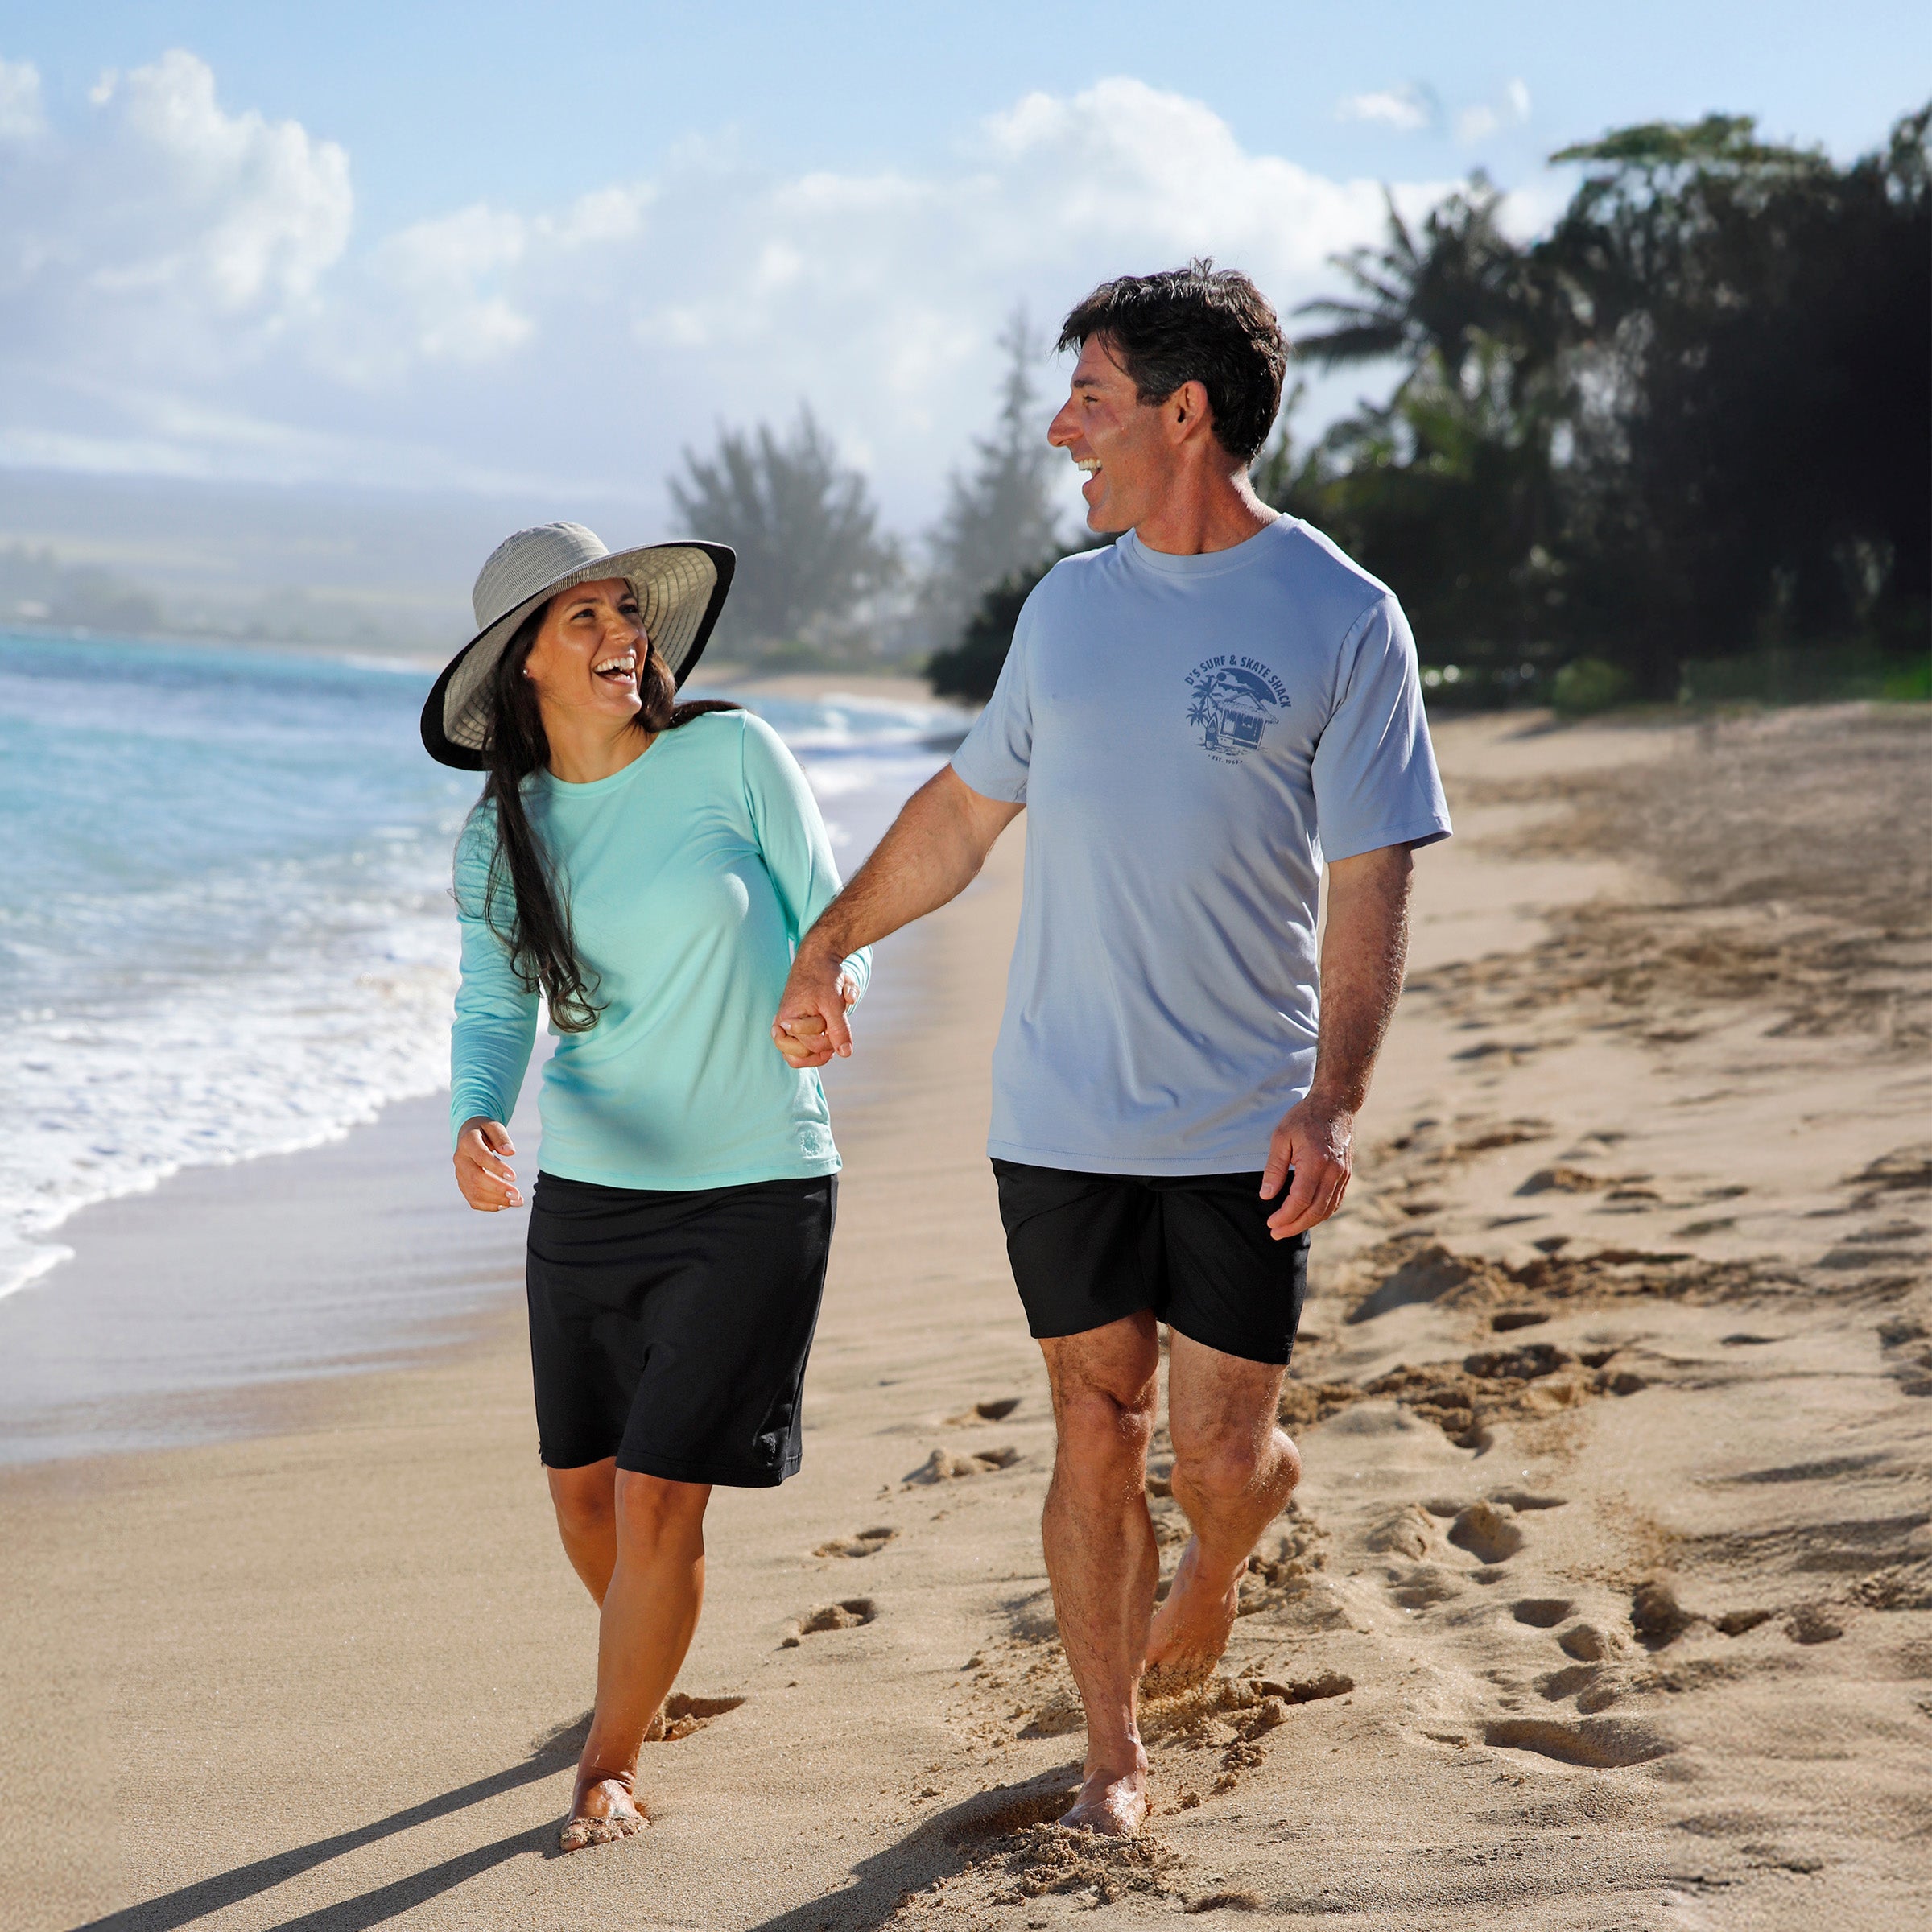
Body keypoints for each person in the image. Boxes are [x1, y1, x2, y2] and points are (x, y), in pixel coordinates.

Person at [773, 264, 1450, 1835]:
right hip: (1062, 1112)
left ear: (1184, 413)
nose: (1061, 427)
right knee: (1097, 1417)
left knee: (1218, 1456)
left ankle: (1224, 1550)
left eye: (1090, 396)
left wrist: (1335, 1103)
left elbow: (1372, 886)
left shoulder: (1343, 619)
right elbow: (960, 815)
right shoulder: (1066, 611)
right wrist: (830, 938)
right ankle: (1113, 1754)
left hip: (1242, 1122)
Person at [423, 522, 868, 1852]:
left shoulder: (732, 755)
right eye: (586, 621)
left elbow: (834, 921)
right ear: (524, 672)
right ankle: (647, 1659)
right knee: (584, 1492)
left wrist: (827, 993)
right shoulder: (506, 830)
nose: (625, 636)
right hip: (594, 1197)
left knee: (663, 1496)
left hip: (754, 1189)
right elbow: (495, 1000)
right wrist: (474, 1118)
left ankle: (609, 1761)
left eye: (629, 612)